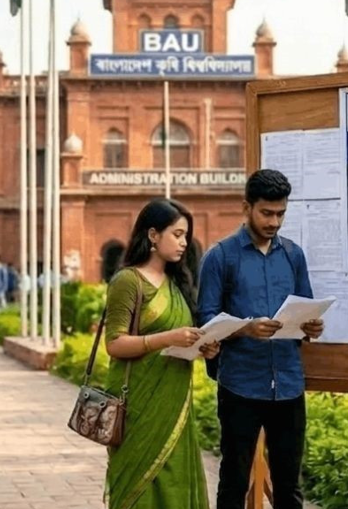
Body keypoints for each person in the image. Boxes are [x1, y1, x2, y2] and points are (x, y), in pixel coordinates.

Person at [196, 169, 322, 509]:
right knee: (234, 481)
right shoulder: (220, 257)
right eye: (266, 213)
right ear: (246, 207)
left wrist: (311, 328)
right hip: (240, 385)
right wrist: (246, 328)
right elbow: (206, 321)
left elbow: (306, 308)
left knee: (289, 486)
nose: (274, 222)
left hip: (288, 383)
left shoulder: (293, 255)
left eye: (280, 213)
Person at [103, 198, 219, 509]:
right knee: (139, 489)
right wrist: (167, 338)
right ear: (153, 235)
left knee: (176, 481)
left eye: (186, 236)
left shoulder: (178, 283)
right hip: (137, 406)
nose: (184, 243)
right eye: (177, 234)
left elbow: (181, 342)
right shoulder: (128, 281)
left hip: (175, 401)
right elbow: (114, 343)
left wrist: (202, 347)